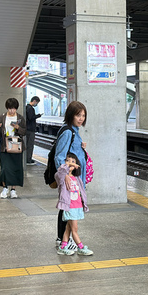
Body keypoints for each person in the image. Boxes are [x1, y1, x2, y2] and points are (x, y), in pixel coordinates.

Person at [52, 100, 88, 251]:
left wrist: (81, 147)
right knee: (67, 207)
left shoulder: (74, 131)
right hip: (69, 179)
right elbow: (59, 157)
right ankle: (63, 239)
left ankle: (63, 239)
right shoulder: (68, 132)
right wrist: (65, 175)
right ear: (71, 115)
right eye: (78, 115)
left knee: (69, 207)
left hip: (74, 179)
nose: (81, 118)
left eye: (83, 116)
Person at [55, 153, 91, 256]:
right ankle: (81, 247)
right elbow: (60, 172)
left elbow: (82, 192)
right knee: (75, 229)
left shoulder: (77, 178)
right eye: (67, 161)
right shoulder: (62, 177)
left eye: (73, 162)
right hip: (69, 206)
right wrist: (67, 169)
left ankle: (62, 247)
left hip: (77, 206)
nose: (70, 163)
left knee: (69, 228)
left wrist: (84, 204)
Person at [0, 97, 26, 198]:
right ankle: (5, 188)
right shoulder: (1, 118)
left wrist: (18, 128)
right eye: (10, 108)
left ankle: (13, 190)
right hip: (4, 147)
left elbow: (24, 132)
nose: (12, 111)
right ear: (7, 108)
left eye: (14, 108)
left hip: (16, 146)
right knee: (5, 168)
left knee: (16, 168)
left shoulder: (20, 118)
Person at [25, 95, 42, 164]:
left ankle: (27, 158)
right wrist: (38, 115)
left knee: (28, 144)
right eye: (37, 103)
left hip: (28, 129)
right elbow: (31, 117)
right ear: (34, 101)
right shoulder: (30, 108)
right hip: (30, 129)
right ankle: (28, 159)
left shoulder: (26, 107)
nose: (36, 104)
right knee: (30, 145)